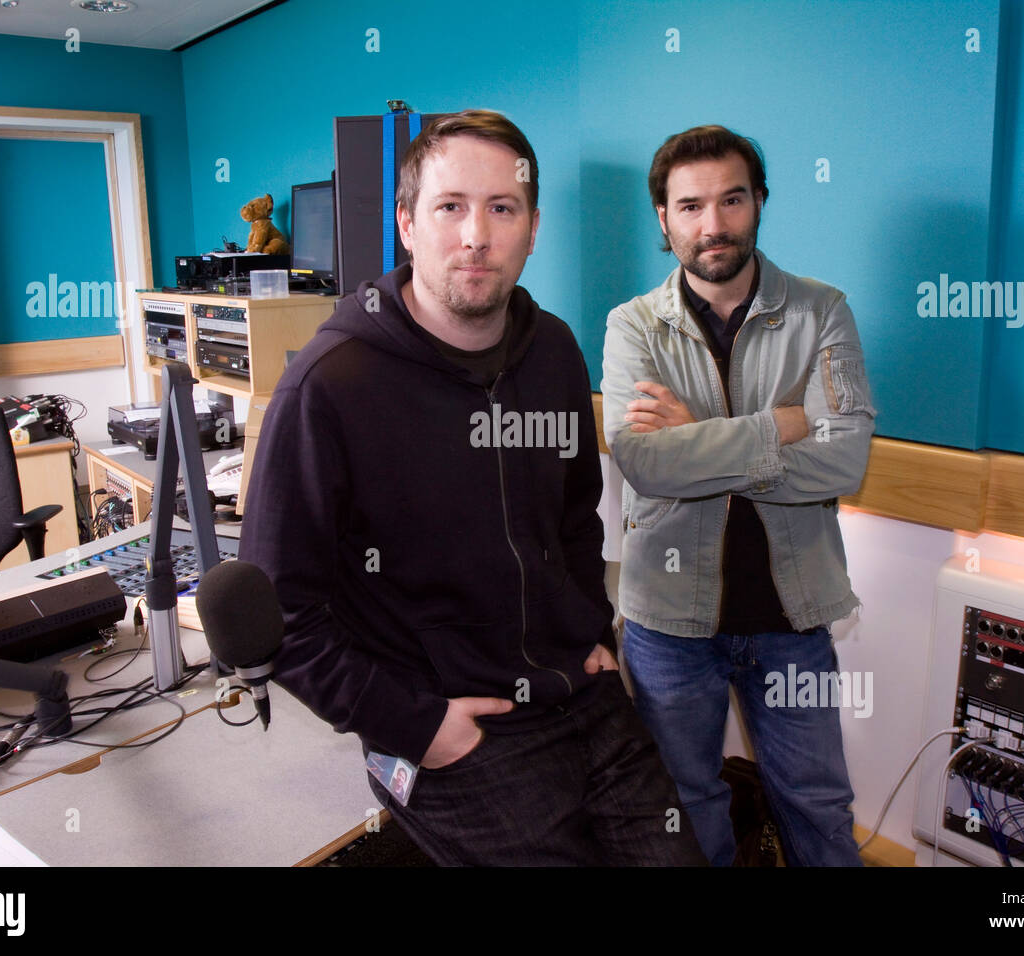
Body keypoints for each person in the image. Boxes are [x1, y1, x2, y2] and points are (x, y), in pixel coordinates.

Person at [240, 110, 702, 866]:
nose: (475, 236)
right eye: (450, 206)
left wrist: (591, 627)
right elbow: (281, 613)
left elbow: (575, 516)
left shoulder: (553, 350)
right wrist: (417, 726)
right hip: (456, 729)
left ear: (533, 227)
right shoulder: (329, 386)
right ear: (408, 224)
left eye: (502, 208)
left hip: (580, 696)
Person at [601, 125, 876, 866]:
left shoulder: (823, 312)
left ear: (759, 202)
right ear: (663, 217)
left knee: (817, 804)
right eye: (689, 206)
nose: (712, 225)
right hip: (667, 625)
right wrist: (778, 427)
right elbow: (643, 462)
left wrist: (700, 434)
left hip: (793, 617)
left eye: (731, 199)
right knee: (686, 806)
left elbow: (844, 459)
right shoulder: (632, 326)